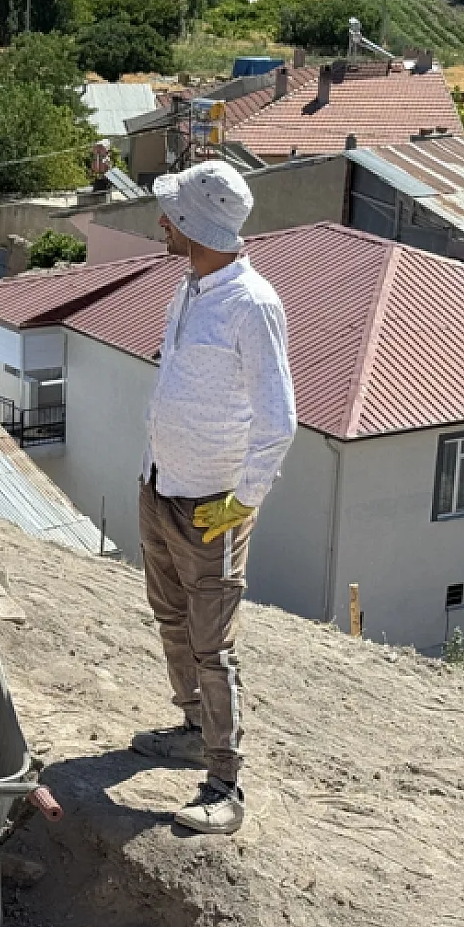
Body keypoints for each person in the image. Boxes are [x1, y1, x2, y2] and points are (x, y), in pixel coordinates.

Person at [131, 160, 295, 836]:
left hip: (211, 507)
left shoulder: (252, 306)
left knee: (212, 645)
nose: (161, 222)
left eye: (171, 214)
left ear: (194, 226)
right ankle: (194, 729)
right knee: (170, 616)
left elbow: (279, 421)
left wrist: (240, 504)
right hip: (162, 487)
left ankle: (225, 781)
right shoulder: (192, 286)